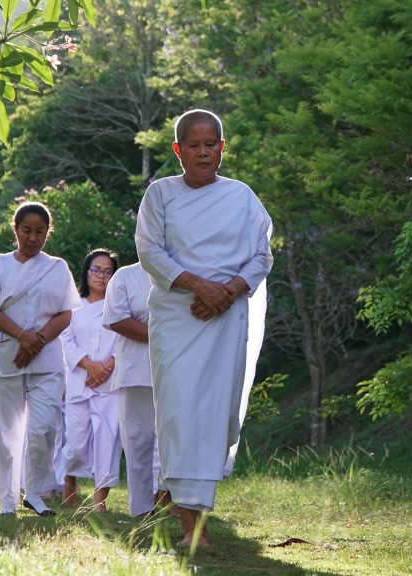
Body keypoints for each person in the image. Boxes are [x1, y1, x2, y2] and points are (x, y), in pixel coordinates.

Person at [135, 109, 273, 547]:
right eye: (192, 145)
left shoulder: (242, 197)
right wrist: (198, 287)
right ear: (178, 150)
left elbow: (262, 256)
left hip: (225, 320)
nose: (202, 152)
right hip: (178, 317)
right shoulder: (160, 195)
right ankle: (191, 526)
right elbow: (150, 252)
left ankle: (195, 512)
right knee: (178, 414)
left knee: (216, 417)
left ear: (222, 148)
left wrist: (228, 290)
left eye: (210, 144)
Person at [0, 202, 81, 516]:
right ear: (15, 230)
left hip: (46, 359)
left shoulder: (57, 267)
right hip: (7, 357)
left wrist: (38, 340)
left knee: (43, 428)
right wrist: (22, 336)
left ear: (48, 232)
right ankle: (8, 500)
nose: (33, 238)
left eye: (40, 232)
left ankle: (35, 492)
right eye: (27, 231)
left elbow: (66, 312)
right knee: (5, 436)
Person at [102, 261, 168, 517]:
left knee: (173, 440)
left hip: (177, 370)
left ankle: (173, 499)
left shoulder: (185, 275)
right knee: (138, 440)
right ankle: (141, 508)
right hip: (136, 370)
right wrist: (163, 334)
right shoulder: (125, 276)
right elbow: (117, 319)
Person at [60, 249, 121, 511]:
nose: (101, 276)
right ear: (86, 272)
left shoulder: (120, 307)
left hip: (110, 385)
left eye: (108, 272)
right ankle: (69, 488)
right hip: (79, 381)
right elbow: (65, 339)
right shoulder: (73, 306)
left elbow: (125, 339)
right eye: (96, 270)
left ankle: (100, 501)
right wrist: (88, 365)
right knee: (75, 441)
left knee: (107, 441)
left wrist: (107, 367)